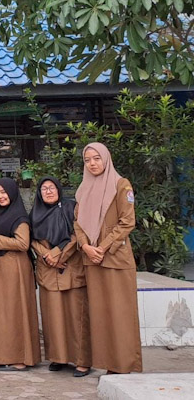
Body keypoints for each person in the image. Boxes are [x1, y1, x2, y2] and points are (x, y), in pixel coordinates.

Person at [74, 142, 142, 374]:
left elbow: (127, 222)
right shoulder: (84, 189)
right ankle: (106, 363)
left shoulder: (121, 185)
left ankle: (123, 364)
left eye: (97, 158)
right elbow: (78, 223)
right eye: (87, 160)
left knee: (120, 312)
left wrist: (101, 248)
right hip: (91, 259)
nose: (92, 164)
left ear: (106, 158)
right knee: (99, 314)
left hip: (115, 259)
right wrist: (85, 246)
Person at [30, 176, 91, 377]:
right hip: (47, 270)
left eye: (52, 187)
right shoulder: (35, 213)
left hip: (70, 267)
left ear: (59, 189)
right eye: (44, 189)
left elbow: (77, 236)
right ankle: (58, 357)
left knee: (76, 317)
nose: (48, 191)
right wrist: (47, 256)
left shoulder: (71, 208)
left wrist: (57, 254)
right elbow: (32, 240)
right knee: (53, 317)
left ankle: (82, 361)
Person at [0, 178, 40, 371]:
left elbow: (23, 243)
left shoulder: (19, 217)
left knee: (16, 311)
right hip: (2, 267)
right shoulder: (1, 215)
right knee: (5, 313)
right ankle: (6, 355)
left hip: (15, 268)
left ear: (13, 193)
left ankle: (21, 358)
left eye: (4, 192)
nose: (0, 196)